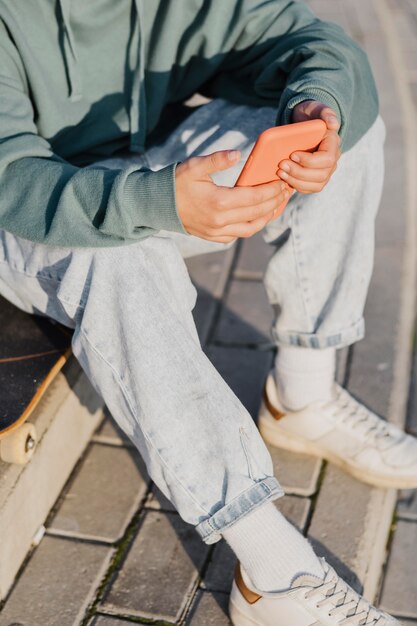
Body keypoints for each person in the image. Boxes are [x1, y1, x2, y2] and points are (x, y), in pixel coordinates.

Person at [0, 1, 413, 623]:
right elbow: (12, 180)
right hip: (26, 209)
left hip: (141, 165)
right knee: (121, 255)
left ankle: (302, 398)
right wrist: (154, 203)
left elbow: (307, 37)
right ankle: (271, 576)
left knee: (345, 130)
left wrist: (318, 106)